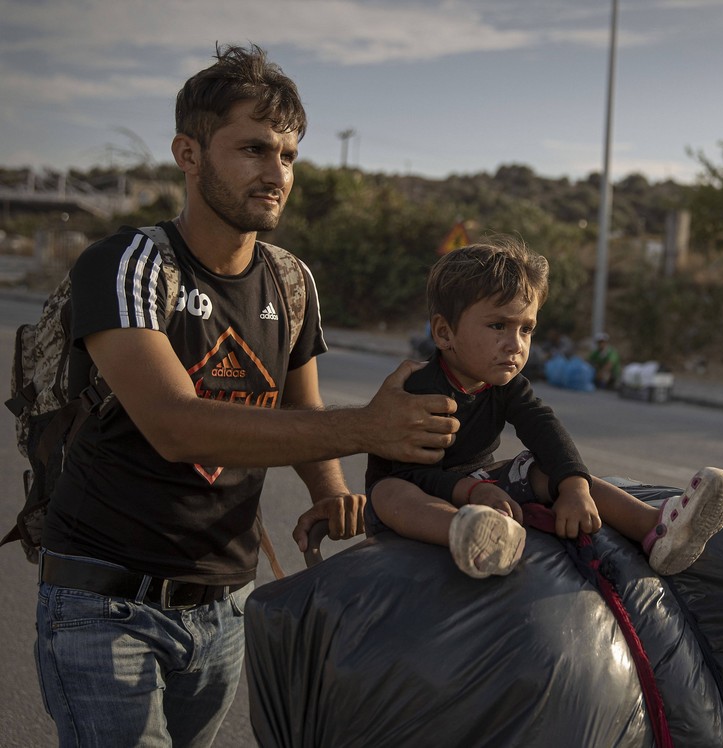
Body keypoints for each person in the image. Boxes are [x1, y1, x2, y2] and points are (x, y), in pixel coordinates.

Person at [34, 43, 458, 747]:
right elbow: (176, 427)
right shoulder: (126, 265)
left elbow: (301, 411)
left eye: (288, 155)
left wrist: (328, 489)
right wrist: (371, 430)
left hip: (225, 609)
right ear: (189, 153)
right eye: (254, 149)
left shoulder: (290, 281)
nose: (276, 173)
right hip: (105, 607)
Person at [365, 238, 723, 580]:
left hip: (478, 483)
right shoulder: (420, 391)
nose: (516, 345)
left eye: (526, 329)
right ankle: (468, 535)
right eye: (499, 325)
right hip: (418, 490)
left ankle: (657, 529)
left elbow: (544, 428)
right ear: (444, 333)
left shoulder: (506, 384)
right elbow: (416, 475)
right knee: (389, 493)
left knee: (543, 468)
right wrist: (471, 494)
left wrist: (574, 486)